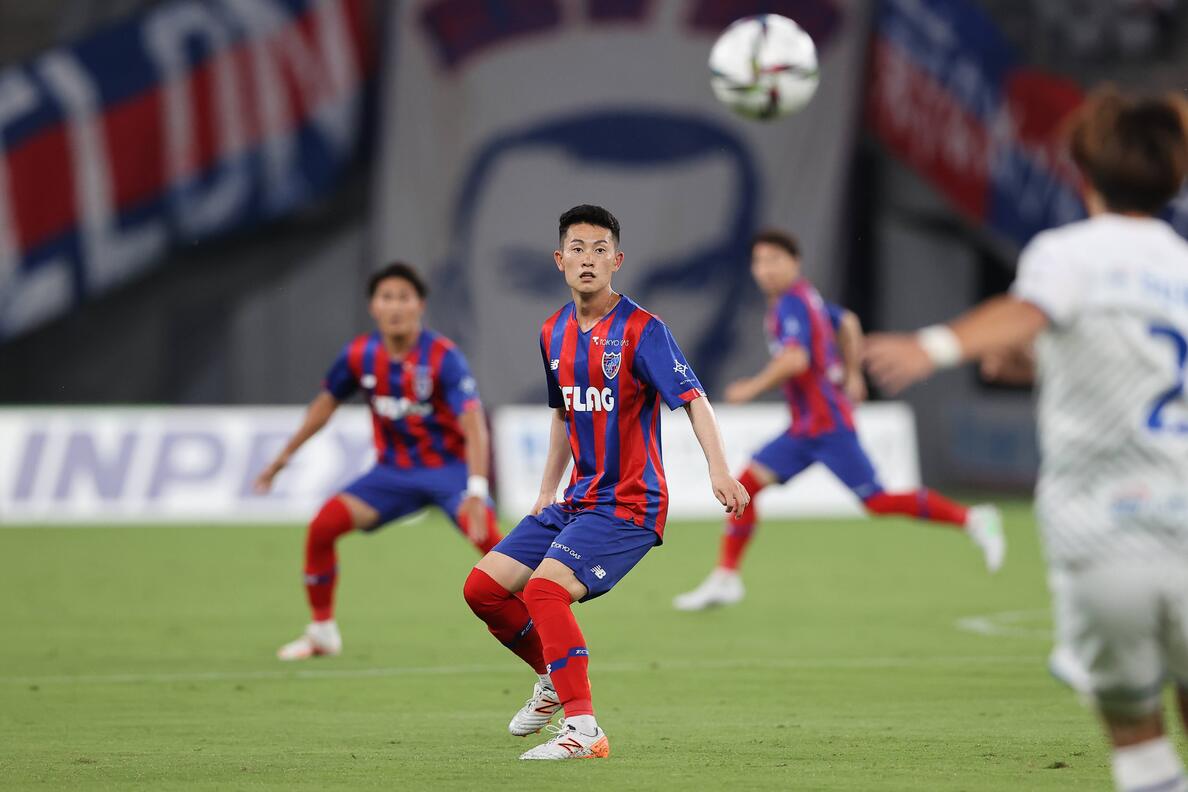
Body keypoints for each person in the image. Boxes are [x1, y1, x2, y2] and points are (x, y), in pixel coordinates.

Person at [863, 88, 1188, 792]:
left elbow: (1028, 309)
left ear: (1083, 172)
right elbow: (1145, 361)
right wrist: (1049, 359)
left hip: (1105, 534)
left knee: (1139, 742)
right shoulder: (1181, 264)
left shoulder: (1070, 254)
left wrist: (934, 345)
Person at [461, 204, 750, 760]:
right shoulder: (552, 331)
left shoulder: (644, 330)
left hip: (629, 504)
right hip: (577, 500)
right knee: (484, 590)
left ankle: (584, 730)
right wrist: (546, 490)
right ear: (559, 259)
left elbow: (694, 399)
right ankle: (553, 677)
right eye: (577, 249)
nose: (588, 259)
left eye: (600, 250)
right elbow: (564, 414)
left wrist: (719, 468)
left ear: (617, 261)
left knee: (544, 591)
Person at [673, 231, 1004, 611]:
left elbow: (795, 360)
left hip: (827, 426)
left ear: (795, 263)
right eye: (759, 261)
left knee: (877, 501)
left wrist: (751, 387)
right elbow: (847, 321)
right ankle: (726, 577)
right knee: (746, 485)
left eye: (774, 260)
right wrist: (853, 374)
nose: (765, 269)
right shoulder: (805, 298)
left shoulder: (791, 304)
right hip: (805, 428)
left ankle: (975, 518)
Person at [255, 262, 501, 660]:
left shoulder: (443, 357)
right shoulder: (359, 355)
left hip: (450, 474)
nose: (395, 306)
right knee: (322, 527)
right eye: (387, 297)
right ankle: (321, 633)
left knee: (497, 550)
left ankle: (546, 627)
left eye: (404, 297)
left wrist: (476, 488)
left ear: (420, 305)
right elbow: (324, 406)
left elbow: (474, 425)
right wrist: (281, 459)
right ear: (373, 306)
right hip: (392, 475)